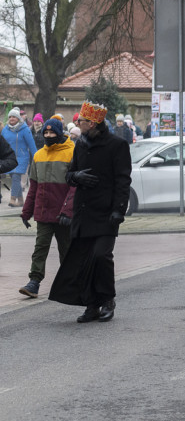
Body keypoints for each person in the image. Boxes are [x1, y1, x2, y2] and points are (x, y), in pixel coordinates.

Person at [48, 101, 132, 323]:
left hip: (106, 213)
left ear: (93, 123)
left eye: (81, 121)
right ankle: (91, 304)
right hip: (83, 213)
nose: (77, 123)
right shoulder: (80, 145)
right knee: (84, 260)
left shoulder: (117, 145)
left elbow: (123, 181)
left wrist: (118, 210)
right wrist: (77, 177)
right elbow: (69, 174)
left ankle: (107, 300)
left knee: (101, 256)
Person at [18, 117, 74, 299]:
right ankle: (34, 282)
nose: (49, 136)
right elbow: (33, 186)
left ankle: (70, 282)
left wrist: (68, 211)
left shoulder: (72, 153)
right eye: (46, 133)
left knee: (66, 249)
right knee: (40, 248)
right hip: (43, 212)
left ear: (59, 133)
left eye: (52, 133)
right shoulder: (38, 155)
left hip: (63, 214)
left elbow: (75, 187)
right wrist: (26, 212)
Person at [2, 108, 35, 208]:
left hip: (22, 158)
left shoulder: (25, 130)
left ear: (18, 118)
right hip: (9, 158)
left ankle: (13, 199)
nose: (12, 118)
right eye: (10, 117)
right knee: (13, 177)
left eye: (14, 117)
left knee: (16, 177)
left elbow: (31, 145)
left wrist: (37, 158)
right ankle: (20, 200)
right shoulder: (5, 129)